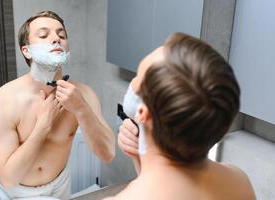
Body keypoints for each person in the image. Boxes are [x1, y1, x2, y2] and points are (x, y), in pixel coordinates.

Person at [106, 32, 255, 200]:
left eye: (138, 76)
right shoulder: (239, 182)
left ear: (142, 113)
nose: (132, 83)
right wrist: (141, 156)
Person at [0, 11, 115, 200]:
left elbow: (107, 154)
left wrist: (81, 109)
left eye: (61, 35)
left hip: (60, 189)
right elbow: (8, 179)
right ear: (27, 51)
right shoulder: (2, 101)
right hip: (16, 194)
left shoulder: (84, 95)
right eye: (44, 35)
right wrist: (43, 125)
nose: (56, 39)